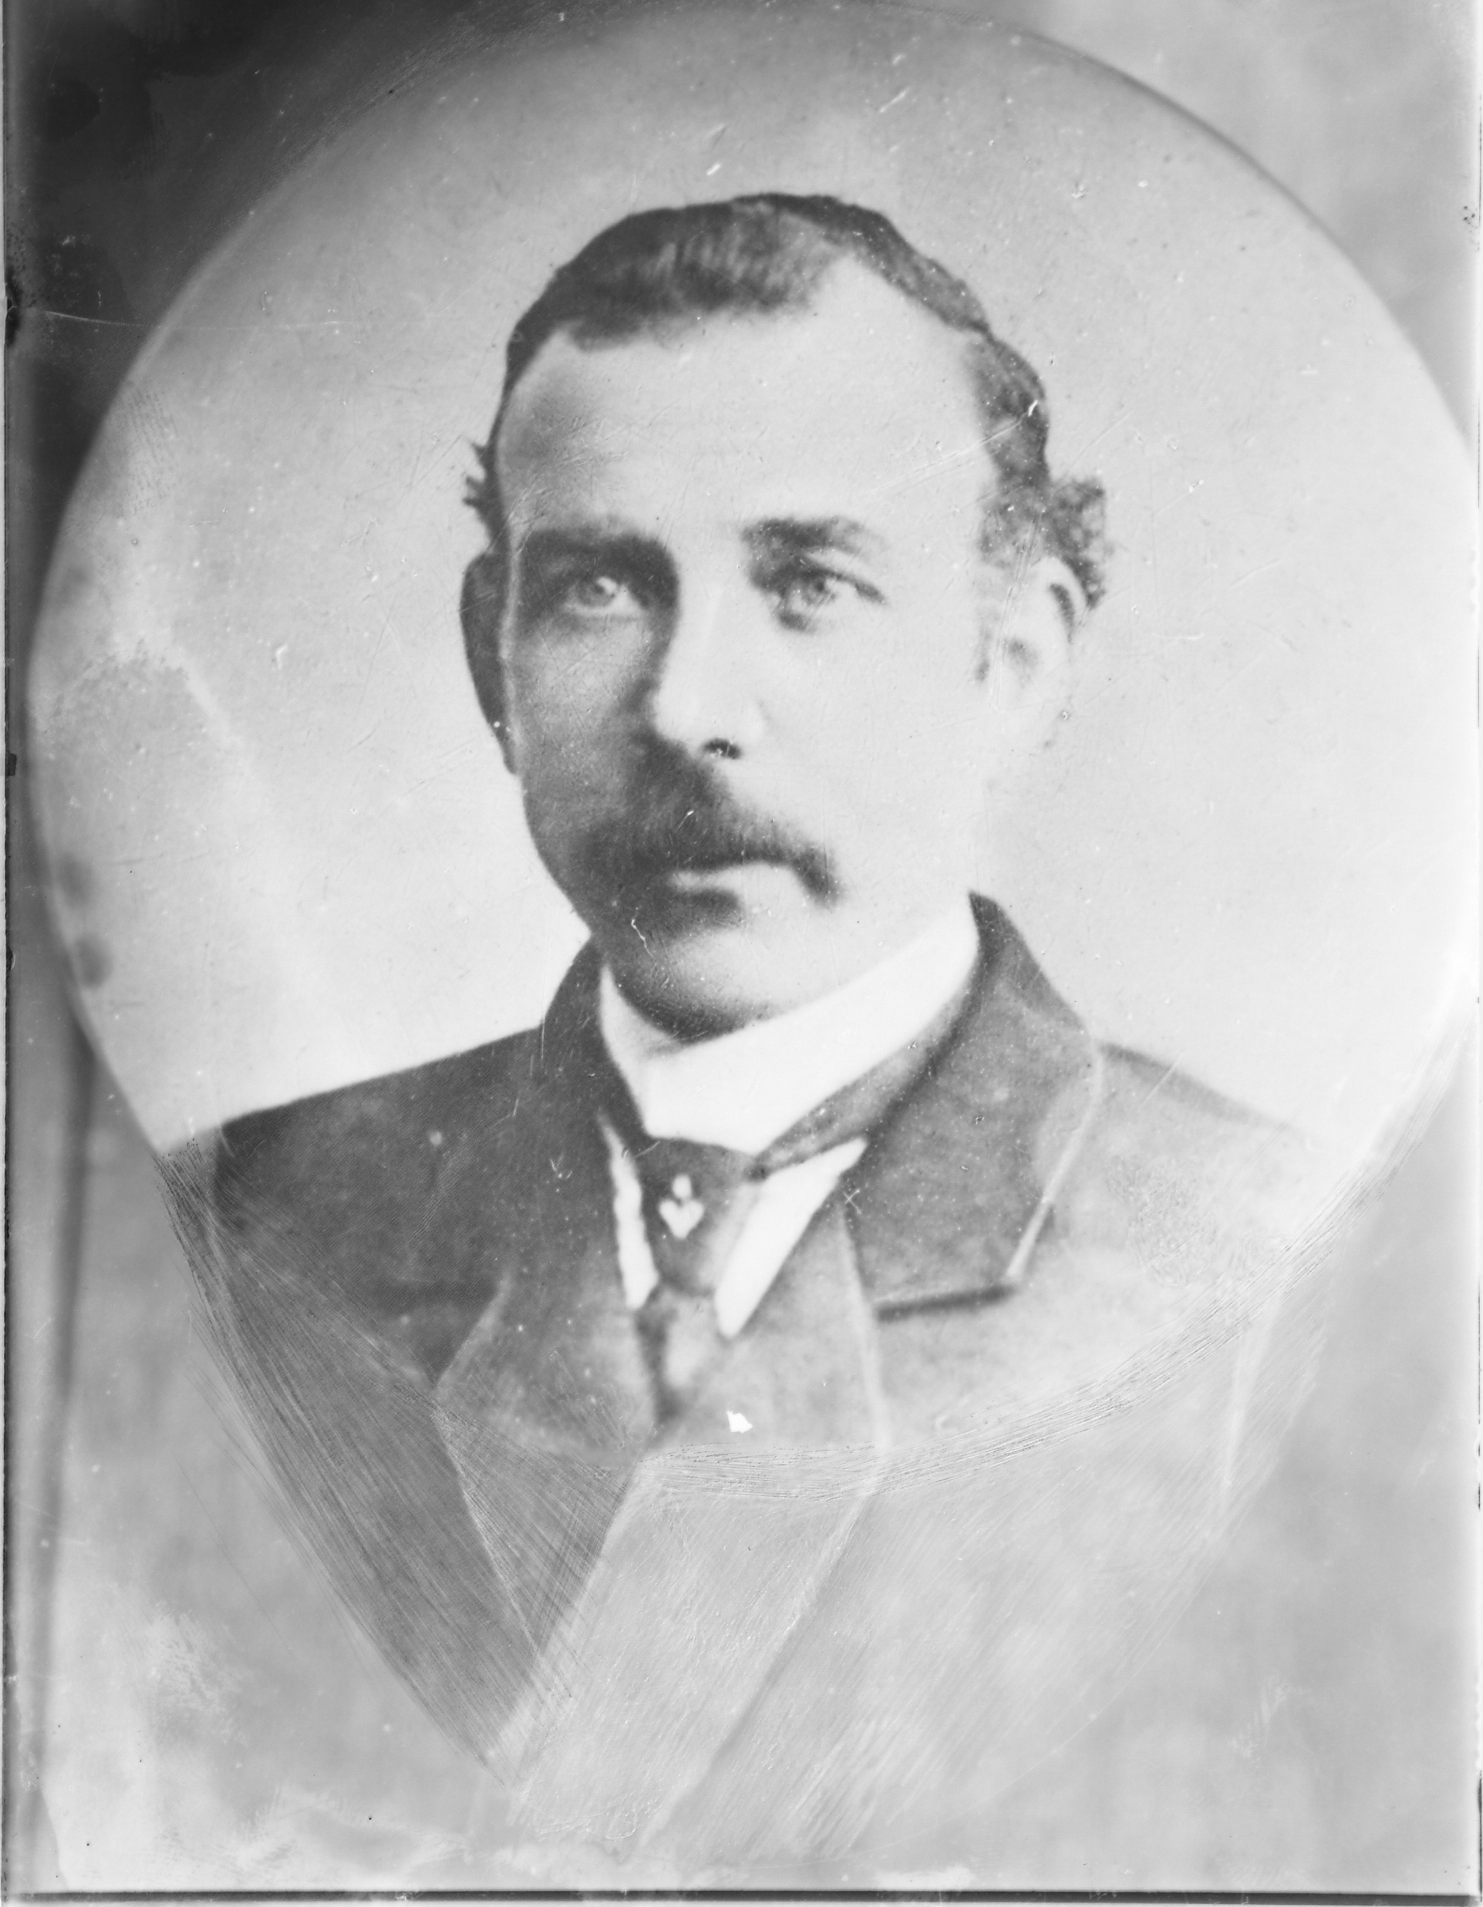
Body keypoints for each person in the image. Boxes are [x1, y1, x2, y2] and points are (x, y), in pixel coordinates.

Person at [171, 194, 1329, 1874]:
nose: (689, 706)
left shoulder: (1285, 1270)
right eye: (598, 587)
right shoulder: (244, 1227)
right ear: (492, 660)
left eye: (810, 583)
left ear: (1012, 662)